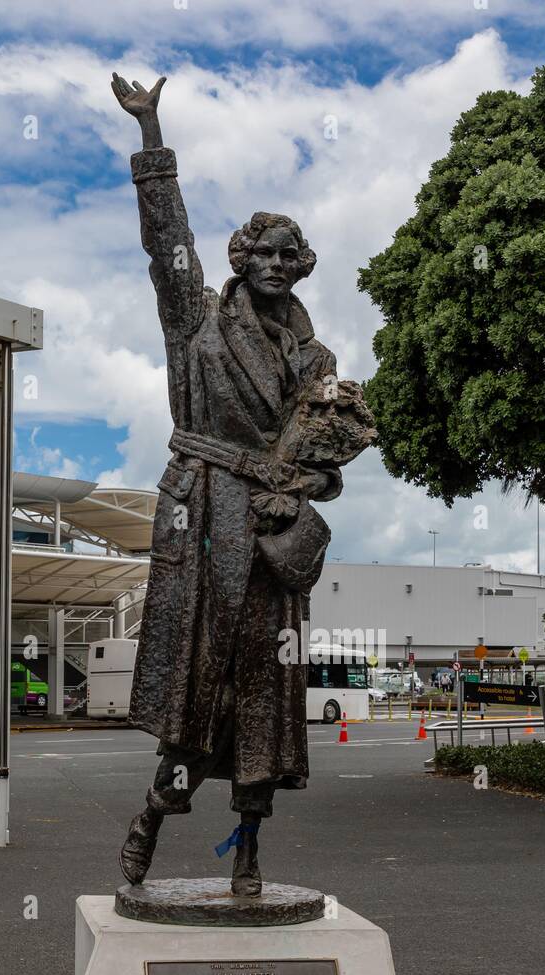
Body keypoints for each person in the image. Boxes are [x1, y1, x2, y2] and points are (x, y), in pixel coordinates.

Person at [111, 73, 376, 895]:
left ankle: (251, 848)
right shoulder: (195, 323)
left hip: (268, 537)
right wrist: (154, 137)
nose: (271, 264)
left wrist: (302, 487)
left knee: (267, 692)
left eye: (285, 254)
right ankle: (154, 815)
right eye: (258, 252)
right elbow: (168, 245)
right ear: (240, 259)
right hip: (203, 522)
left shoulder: (316, 361)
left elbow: (330, 462)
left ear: (300, 266)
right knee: (196, 687)